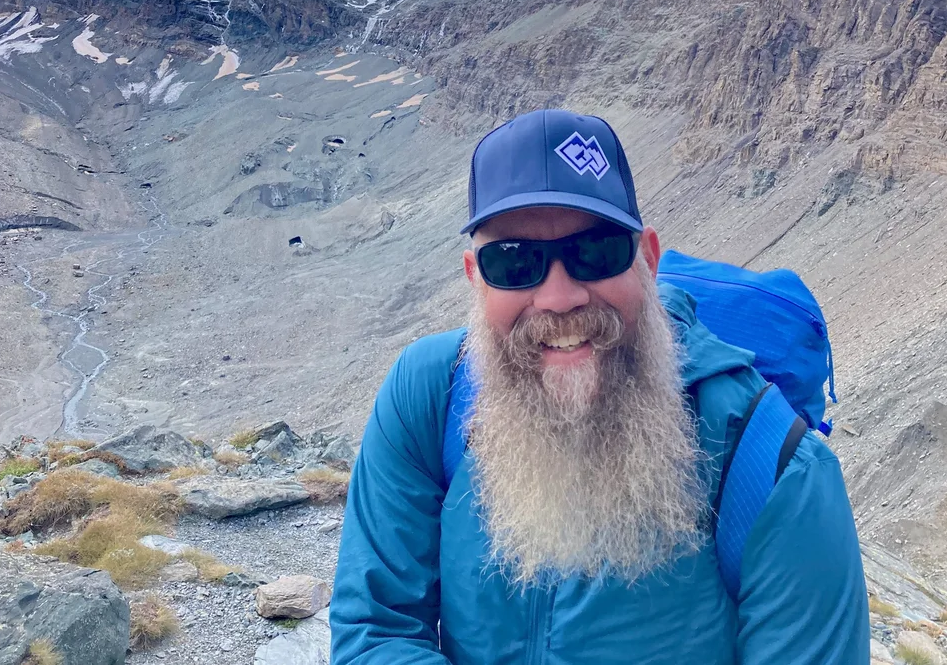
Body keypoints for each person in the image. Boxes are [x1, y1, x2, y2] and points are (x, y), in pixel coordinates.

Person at [330, 108, 870, 664]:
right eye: (515, 262)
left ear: (648, 261)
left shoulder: (775, 470)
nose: (560, 298)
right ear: (476, 277)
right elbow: (376, 628)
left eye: (596, 252)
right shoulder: (431, 394)